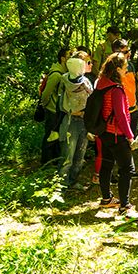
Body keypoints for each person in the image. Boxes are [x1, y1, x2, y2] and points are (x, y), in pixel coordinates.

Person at [96, 52, 135, 214]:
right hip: (116, 134)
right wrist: (130, 136)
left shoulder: (101, 83)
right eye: (125, 68)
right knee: (127, 168)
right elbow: (121, 116)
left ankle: (106, 198)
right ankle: (125, 205)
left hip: (104, 132)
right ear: (117, 69)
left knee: (106, 165)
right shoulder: (117, 89)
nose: (126, 71)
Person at [58, 51, 93, 190]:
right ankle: (61, 185)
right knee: (68, 154)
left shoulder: (85, 81)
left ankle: (72, 181)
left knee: (80, 153)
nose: (90, 65)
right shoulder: (65, 80)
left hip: (83, 121)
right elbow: (60, 103)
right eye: (88, 62)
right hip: (71, 121)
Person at [41, 47, 70, 166]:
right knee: (49, 137)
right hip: (52, 110)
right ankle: (45, 163)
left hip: (59, 110)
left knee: (57, 137)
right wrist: (48, 106)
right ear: (63, 59)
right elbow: (46, 93)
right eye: (69, 56)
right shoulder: (56, 75)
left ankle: (54, 161)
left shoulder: (64, 73)